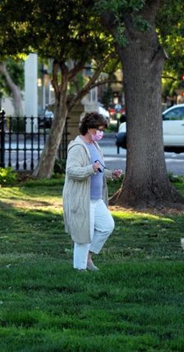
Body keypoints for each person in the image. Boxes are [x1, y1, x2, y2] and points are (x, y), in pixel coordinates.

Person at [62, 111, 123, 271]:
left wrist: (110, 173)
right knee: (83, 236)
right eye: (99, 129)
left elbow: (98, 168)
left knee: (107, 226)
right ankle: (79, 268)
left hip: (96, 199)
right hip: (83, 199)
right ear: (89, 128)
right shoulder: (77, 147)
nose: (101, 133)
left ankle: (88, 257)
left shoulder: (94, 145)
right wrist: (90, 169)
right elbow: (71, 171)